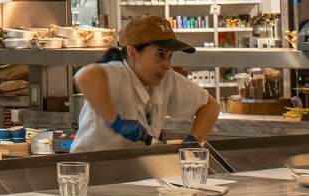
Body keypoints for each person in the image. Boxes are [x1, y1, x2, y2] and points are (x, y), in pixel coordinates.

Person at [70, 15, 220, 152]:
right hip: (92, 167)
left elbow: (210, 106)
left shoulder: (165, 78)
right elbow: (85, 77)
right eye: (160, 55)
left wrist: (192, 142)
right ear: (132, 53)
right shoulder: (119, 72)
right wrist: (116, 123)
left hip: (133, 167)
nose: (167, 64)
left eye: (170, 56)